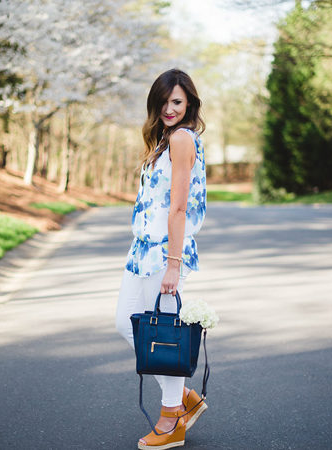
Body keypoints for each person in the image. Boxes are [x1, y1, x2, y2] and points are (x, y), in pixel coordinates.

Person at [115, 68, 208, 450]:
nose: (170, 109)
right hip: (141, 250)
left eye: (177, 102)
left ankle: (172, 419)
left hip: (165, 251)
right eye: (165, 101)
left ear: (188, 105)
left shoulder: (183, 139)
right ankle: (185, 397)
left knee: (164, 338)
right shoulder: (163, 141)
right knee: (126, 323)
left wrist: (173, 263)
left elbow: (179, 207)